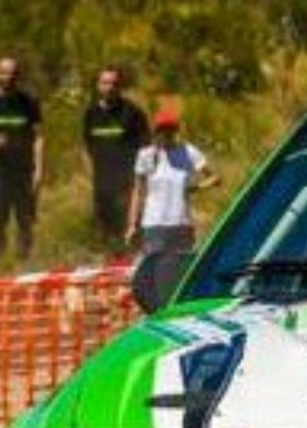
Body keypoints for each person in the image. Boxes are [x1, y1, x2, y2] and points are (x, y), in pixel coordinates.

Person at [126, 100, 220, 301]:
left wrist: (193, 189)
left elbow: (214, 178)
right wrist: (132, 224)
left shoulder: (188, 152)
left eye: (170, 130)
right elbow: (138, 191)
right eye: (162, 130)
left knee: (181, 273)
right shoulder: (146, 155)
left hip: (181, 223)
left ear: (175, 130)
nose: (166, 134)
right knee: (154, 273)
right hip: (154, 224)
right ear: (155, 131)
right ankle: (156, 310)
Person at [0, 55, 45, 264]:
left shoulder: (29, 102)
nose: (8, 77)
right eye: (4, 72)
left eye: (12, 73)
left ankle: (25, 260)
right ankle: (0, 257)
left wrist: (39, 169)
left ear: (18, 75)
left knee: (25, 219)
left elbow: (39, 136)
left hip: (23, 170)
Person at [81, 65, 150, 252]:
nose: (109, 87)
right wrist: (90, 173)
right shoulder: (90, 113)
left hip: (127, 185)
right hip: (101, 184)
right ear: (98, 85)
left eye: (113, 83)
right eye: (105, 83)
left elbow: (147, 149)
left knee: (129, 232)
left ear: (119, 86)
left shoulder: (133, 113)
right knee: (106, 234)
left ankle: (134, 268)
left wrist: (141, 183)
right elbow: (86, 146)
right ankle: (110, 268)